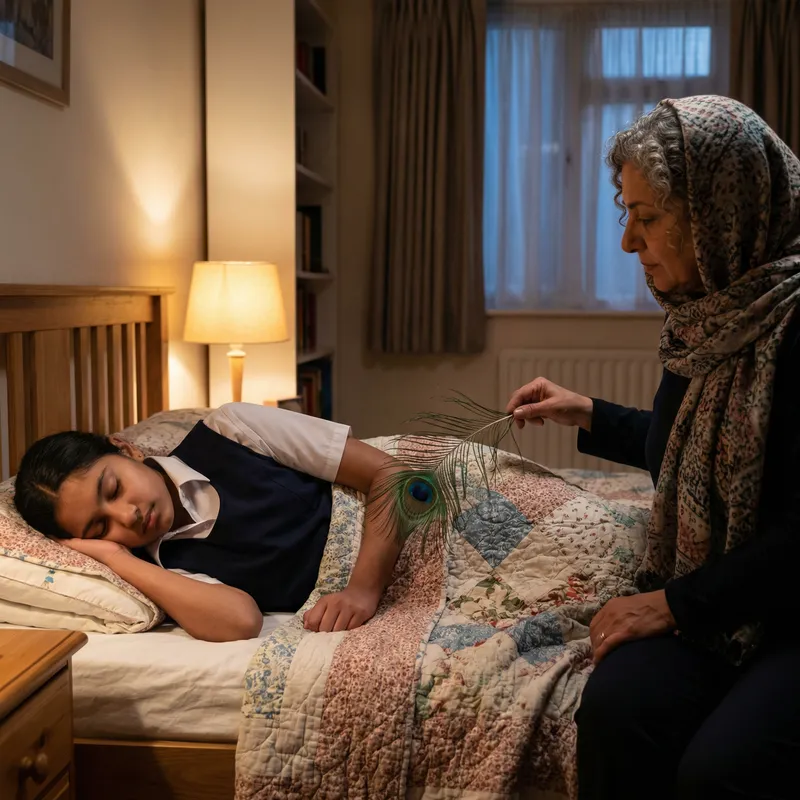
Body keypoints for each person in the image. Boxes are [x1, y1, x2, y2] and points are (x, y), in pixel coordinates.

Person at [506, 96, 800, 800]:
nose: (628, 244)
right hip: (722, 605)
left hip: (788, 611)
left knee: (720, 771)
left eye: (649, 217)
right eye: (626, 214)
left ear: (718, 215)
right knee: (617, 710)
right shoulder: (705, 316)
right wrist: (587, 413)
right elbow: (697, 454)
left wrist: (672, 605)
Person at [14, 403, 406, 643]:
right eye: (101, 528)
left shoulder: (232, 430)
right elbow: (241, 621)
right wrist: (117, 559)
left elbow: (395, 475)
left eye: (114, 489)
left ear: (127, 449)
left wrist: (362, 590)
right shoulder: (164, 570)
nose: (126, 516)